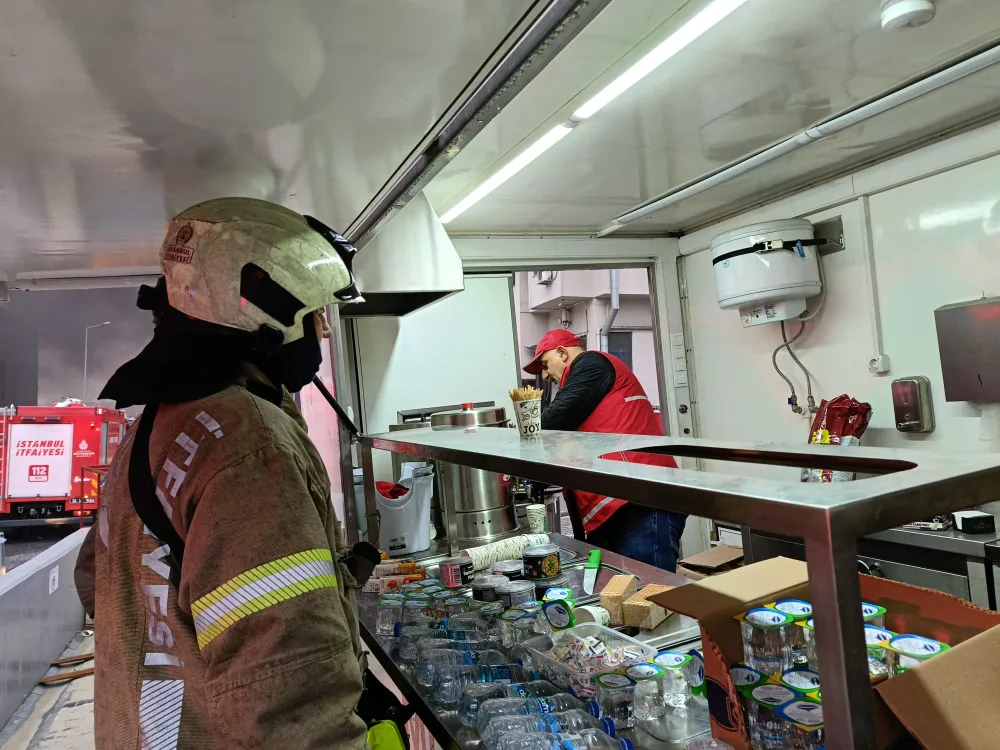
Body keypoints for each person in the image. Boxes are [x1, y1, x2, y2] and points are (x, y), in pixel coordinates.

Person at [83, 198, 379, 749]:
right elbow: (290, 692)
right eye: (316, 315)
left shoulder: (156, 427)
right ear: (269, 317)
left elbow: (95, 581)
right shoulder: (251, 448)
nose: (323, 332)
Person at [524, 328, 687, 572]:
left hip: (639, 501)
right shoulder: (586, 389)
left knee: (648, 589)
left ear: (562, 353)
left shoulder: (591, 363)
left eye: (545, 365)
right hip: (622, 504)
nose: (545, 376)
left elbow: (550, 422)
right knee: (624, 588)